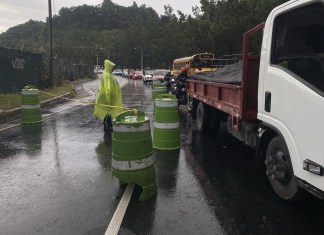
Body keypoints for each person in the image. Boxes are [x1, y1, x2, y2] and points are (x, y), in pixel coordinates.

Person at [93, 59, 123, 133]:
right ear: (109, 67)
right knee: (108, 111)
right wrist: (108, 97)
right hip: (106, 97)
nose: (113, 69)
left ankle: (107, 124)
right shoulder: (107, 75)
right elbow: (107, 87)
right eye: (112, 67)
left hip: (109, 97)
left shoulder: (108, 74)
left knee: (108, 111)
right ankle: (108, 125)